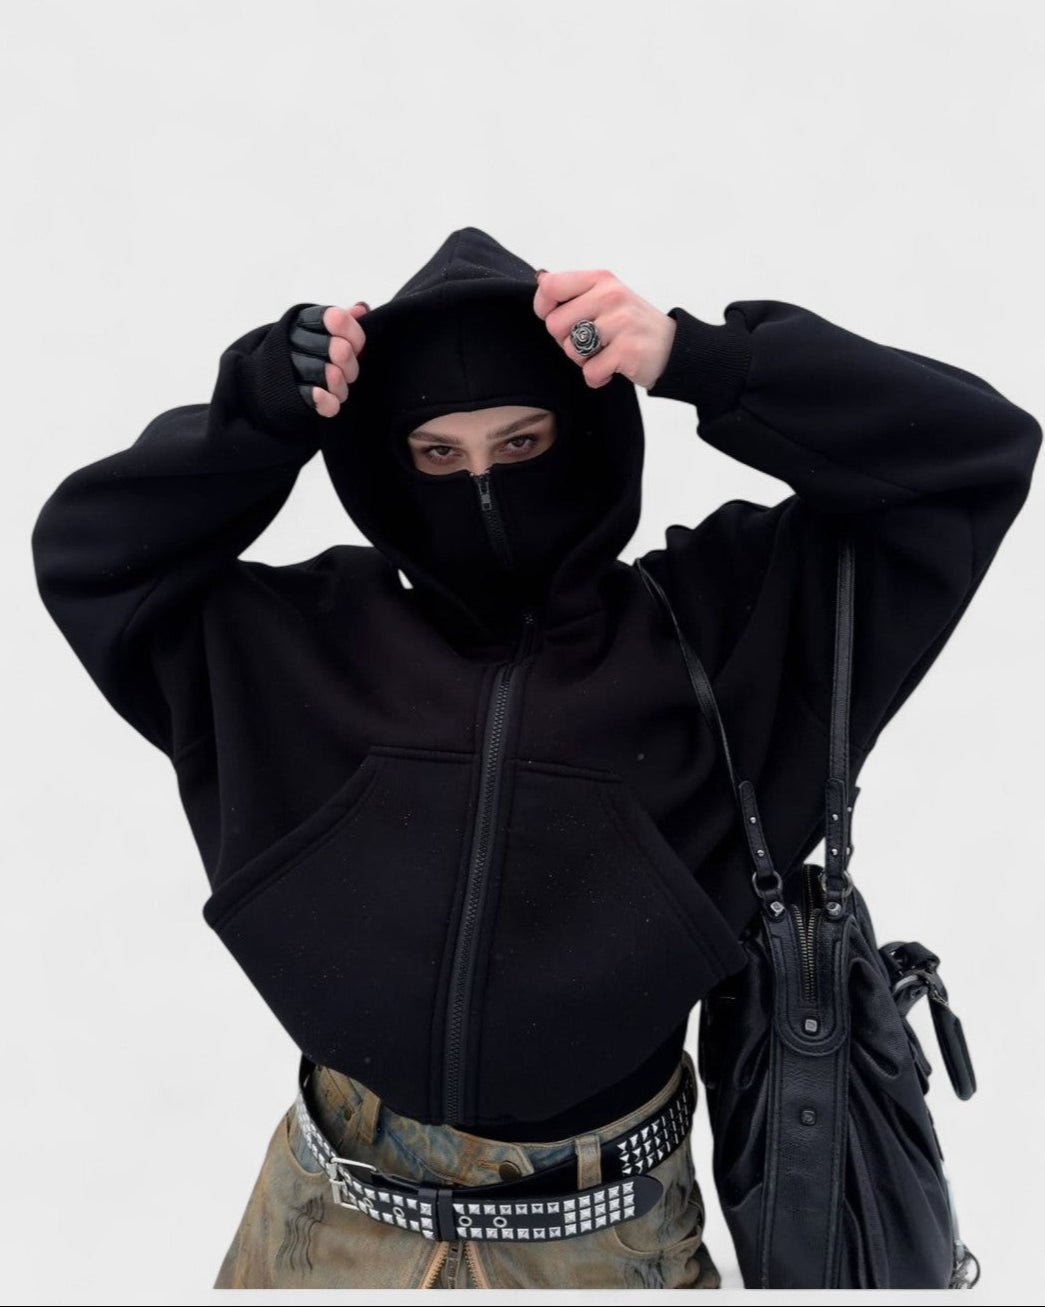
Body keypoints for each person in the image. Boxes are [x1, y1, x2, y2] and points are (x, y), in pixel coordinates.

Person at [30, 226, 1041, 1290]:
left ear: (586, 430)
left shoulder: (717, 631)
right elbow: (94, 552)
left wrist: (699, 360)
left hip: (602, 1245)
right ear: (386, 463)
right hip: (322, 1224)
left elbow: (964, 459)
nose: (481, 484)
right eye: (437, 454)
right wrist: (258, 415)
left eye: (520, 442)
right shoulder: (302, 643)